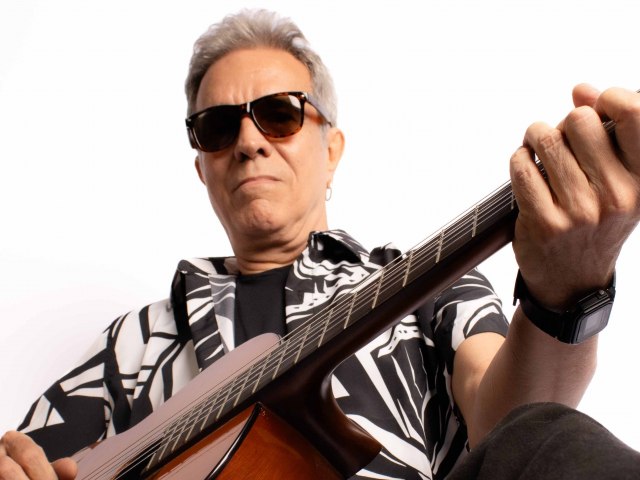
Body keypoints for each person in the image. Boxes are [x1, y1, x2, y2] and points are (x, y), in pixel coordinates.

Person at [1, 8, 640, 479]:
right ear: (202, 168)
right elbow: (20, 456)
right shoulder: (134, 344)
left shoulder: (428, 283)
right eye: (218, 128)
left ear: (331, 148)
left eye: (279, 113)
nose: (249, 142)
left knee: (553, 441)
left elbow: (514, 419)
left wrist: (565, 294)